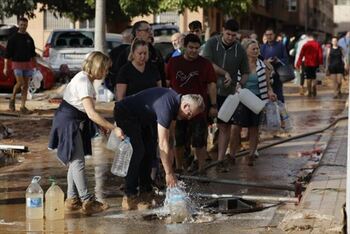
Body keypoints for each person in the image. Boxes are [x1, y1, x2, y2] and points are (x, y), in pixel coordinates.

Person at [48, 51, 124, 215]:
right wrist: (113, 128)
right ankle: (88, 200)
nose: (106, 73)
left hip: (72, 120)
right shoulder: (83, 81)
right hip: (69, 122)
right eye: (104, 69)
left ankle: (72, 198)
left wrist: (101, 124)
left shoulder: (85, 79)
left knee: (74, 161)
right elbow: (91, 113)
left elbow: (88, 111)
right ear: (97, 67)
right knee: (78, 162)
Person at [113, 87, 205, 210]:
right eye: (189, 115)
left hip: (142, 118)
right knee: (138, 151)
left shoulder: (175, 103)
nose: (188, 118)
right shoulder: (167, 106)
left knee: (149, 150)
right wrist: (169, 173)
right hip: (125, 112)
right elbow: (163, 144)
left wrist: (171, 168)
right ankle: (129, 195)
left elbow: (170, 140)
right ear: (186, 106)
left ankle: (146, 191)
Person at [202, 18, 249, 172]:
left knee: (224, 126)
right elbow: (207, 64)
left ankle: (221, 159)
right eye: (228, 34)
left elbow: (246, 73)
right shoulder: (211, 43)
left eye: (233, 35)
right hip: (208, 91)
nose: (230, 37)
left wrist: (240, 84)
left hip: (228, 95)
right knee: (202, 125)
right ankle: (200, 159)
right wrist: (225, 73)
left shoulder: (240, 50)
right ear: (222, 30)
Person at [166, 33, 217, 173]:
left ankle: (201, 168)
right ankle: (179, 168)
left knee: (200, 140)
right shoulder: (174, 62)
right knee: (179, 139)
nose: (194, 51)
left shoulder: (205, 63)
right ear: (184, 47)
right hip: (178, 108)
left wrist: (213, 105)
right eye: (191, 47)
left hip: (199, 109)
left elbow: (212, 85)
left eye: (196, 48)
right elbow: (167, 83)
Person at [232, 39, 276, 166]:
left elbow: (268, 86)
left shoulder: (264, 66)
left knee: (254, 128)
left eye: (257, 49)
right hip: (241, 99)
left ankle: (251, 154)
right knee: (236, 128)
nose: (256, 51)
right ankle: (232, 155)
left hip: (258, 100)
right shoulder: (238, 65)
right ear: (246, 51)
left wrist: (271, 93)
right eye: (253, 49)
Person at [112, 20, 166, 89]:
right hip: (132, 96)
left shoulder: (156, 53)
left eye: (151, 30)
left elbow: (162, 76)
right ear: (137, 33)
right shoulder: (126, 53)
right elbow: (117, 77)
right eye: (147, 30)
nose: (151, 33)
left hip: (153, 96)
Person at [3, 17, 36, 114]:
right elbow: (7, 54)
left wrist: (36, 66)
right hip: (16, 64)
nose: (23, 27)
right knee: (20, 83)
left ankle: (22, 107)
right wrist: (5, 67)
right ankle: (12, 99)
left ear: (27, 25)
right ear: (18, 24)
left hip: (28, 64)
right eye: (21, 25)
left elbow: (33, 54)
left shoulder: (29, 39)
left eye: (25, 25)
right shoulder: (13, 38)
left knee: (25, 86)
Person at [260, 28, 289, 103]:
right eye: (267, 35)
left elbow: (286, 59)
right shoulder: (262, 47)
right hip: (266, 74)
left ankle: (281, 112)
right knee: (267, 94)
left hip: (278, 73)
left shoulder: (280, 45)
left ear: (274, 35)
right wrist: (267, 61)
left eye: (270, 34)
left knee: (279, 95)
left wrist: (278, 60)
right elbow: (259, 61)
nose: (269, 36)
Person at [105, 27, 133, 92]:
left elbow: (109, 68)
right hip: (130, 83)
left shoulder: (113, 51)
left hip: (115, 82)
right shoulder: (133, 51)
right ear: (132, 37)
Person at [296, 33, 323, 97]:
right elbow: (320, 55)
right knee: (314, 77)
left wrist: (298, 63)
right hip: (315, 64)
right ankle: (314, 90)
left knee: (308, 78)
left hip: (307, 63)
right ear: (314, 38)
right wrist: (321, 63)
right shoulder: (317, 44)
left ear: (308, 38)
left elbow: (301, 55)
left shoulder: (306, 45)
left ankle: (309, 91)